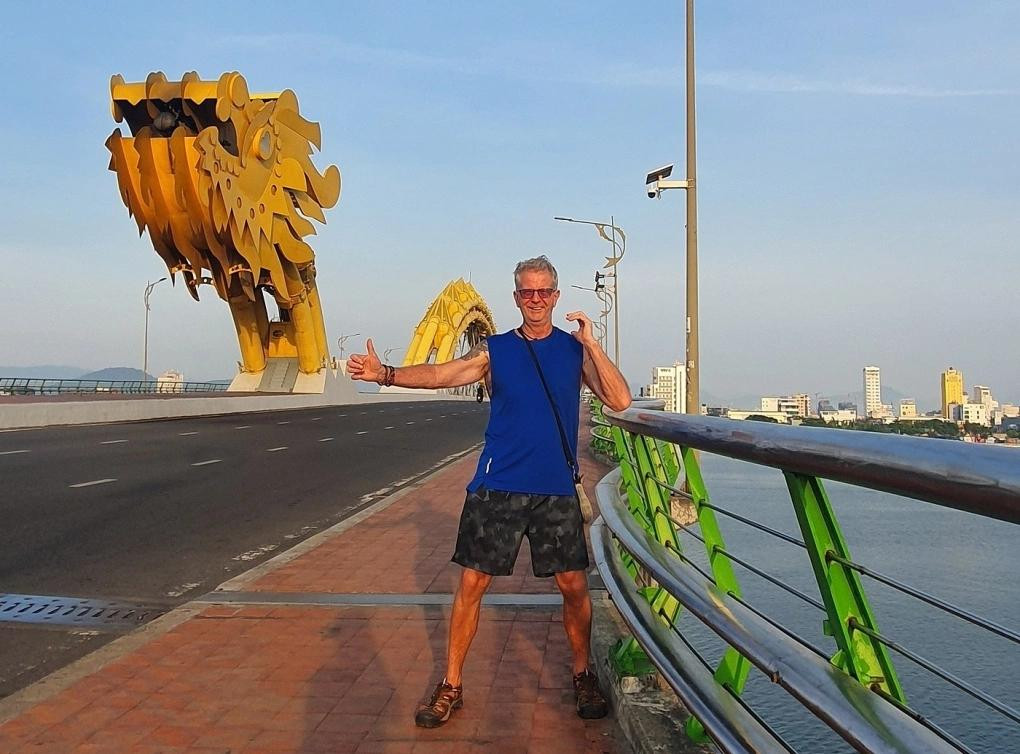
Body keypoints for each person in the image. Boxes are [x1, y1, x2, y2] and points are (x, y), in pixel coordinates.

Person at [347, 255, 632, 727]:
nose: (535, 300)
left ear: (556, 297)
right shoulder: (494, 350)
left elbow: (620, 400)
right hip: (497, 486)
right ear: (516, 297)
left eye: (544, 292)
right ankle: (451, 684)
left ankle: (582, 675)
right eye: (527, 292)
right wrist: (387, 374)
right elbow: (444, 375)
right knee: (472, 586)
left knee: (574, 587)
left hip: (554, 489)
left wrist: (592, 347)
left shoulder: (573, 351)